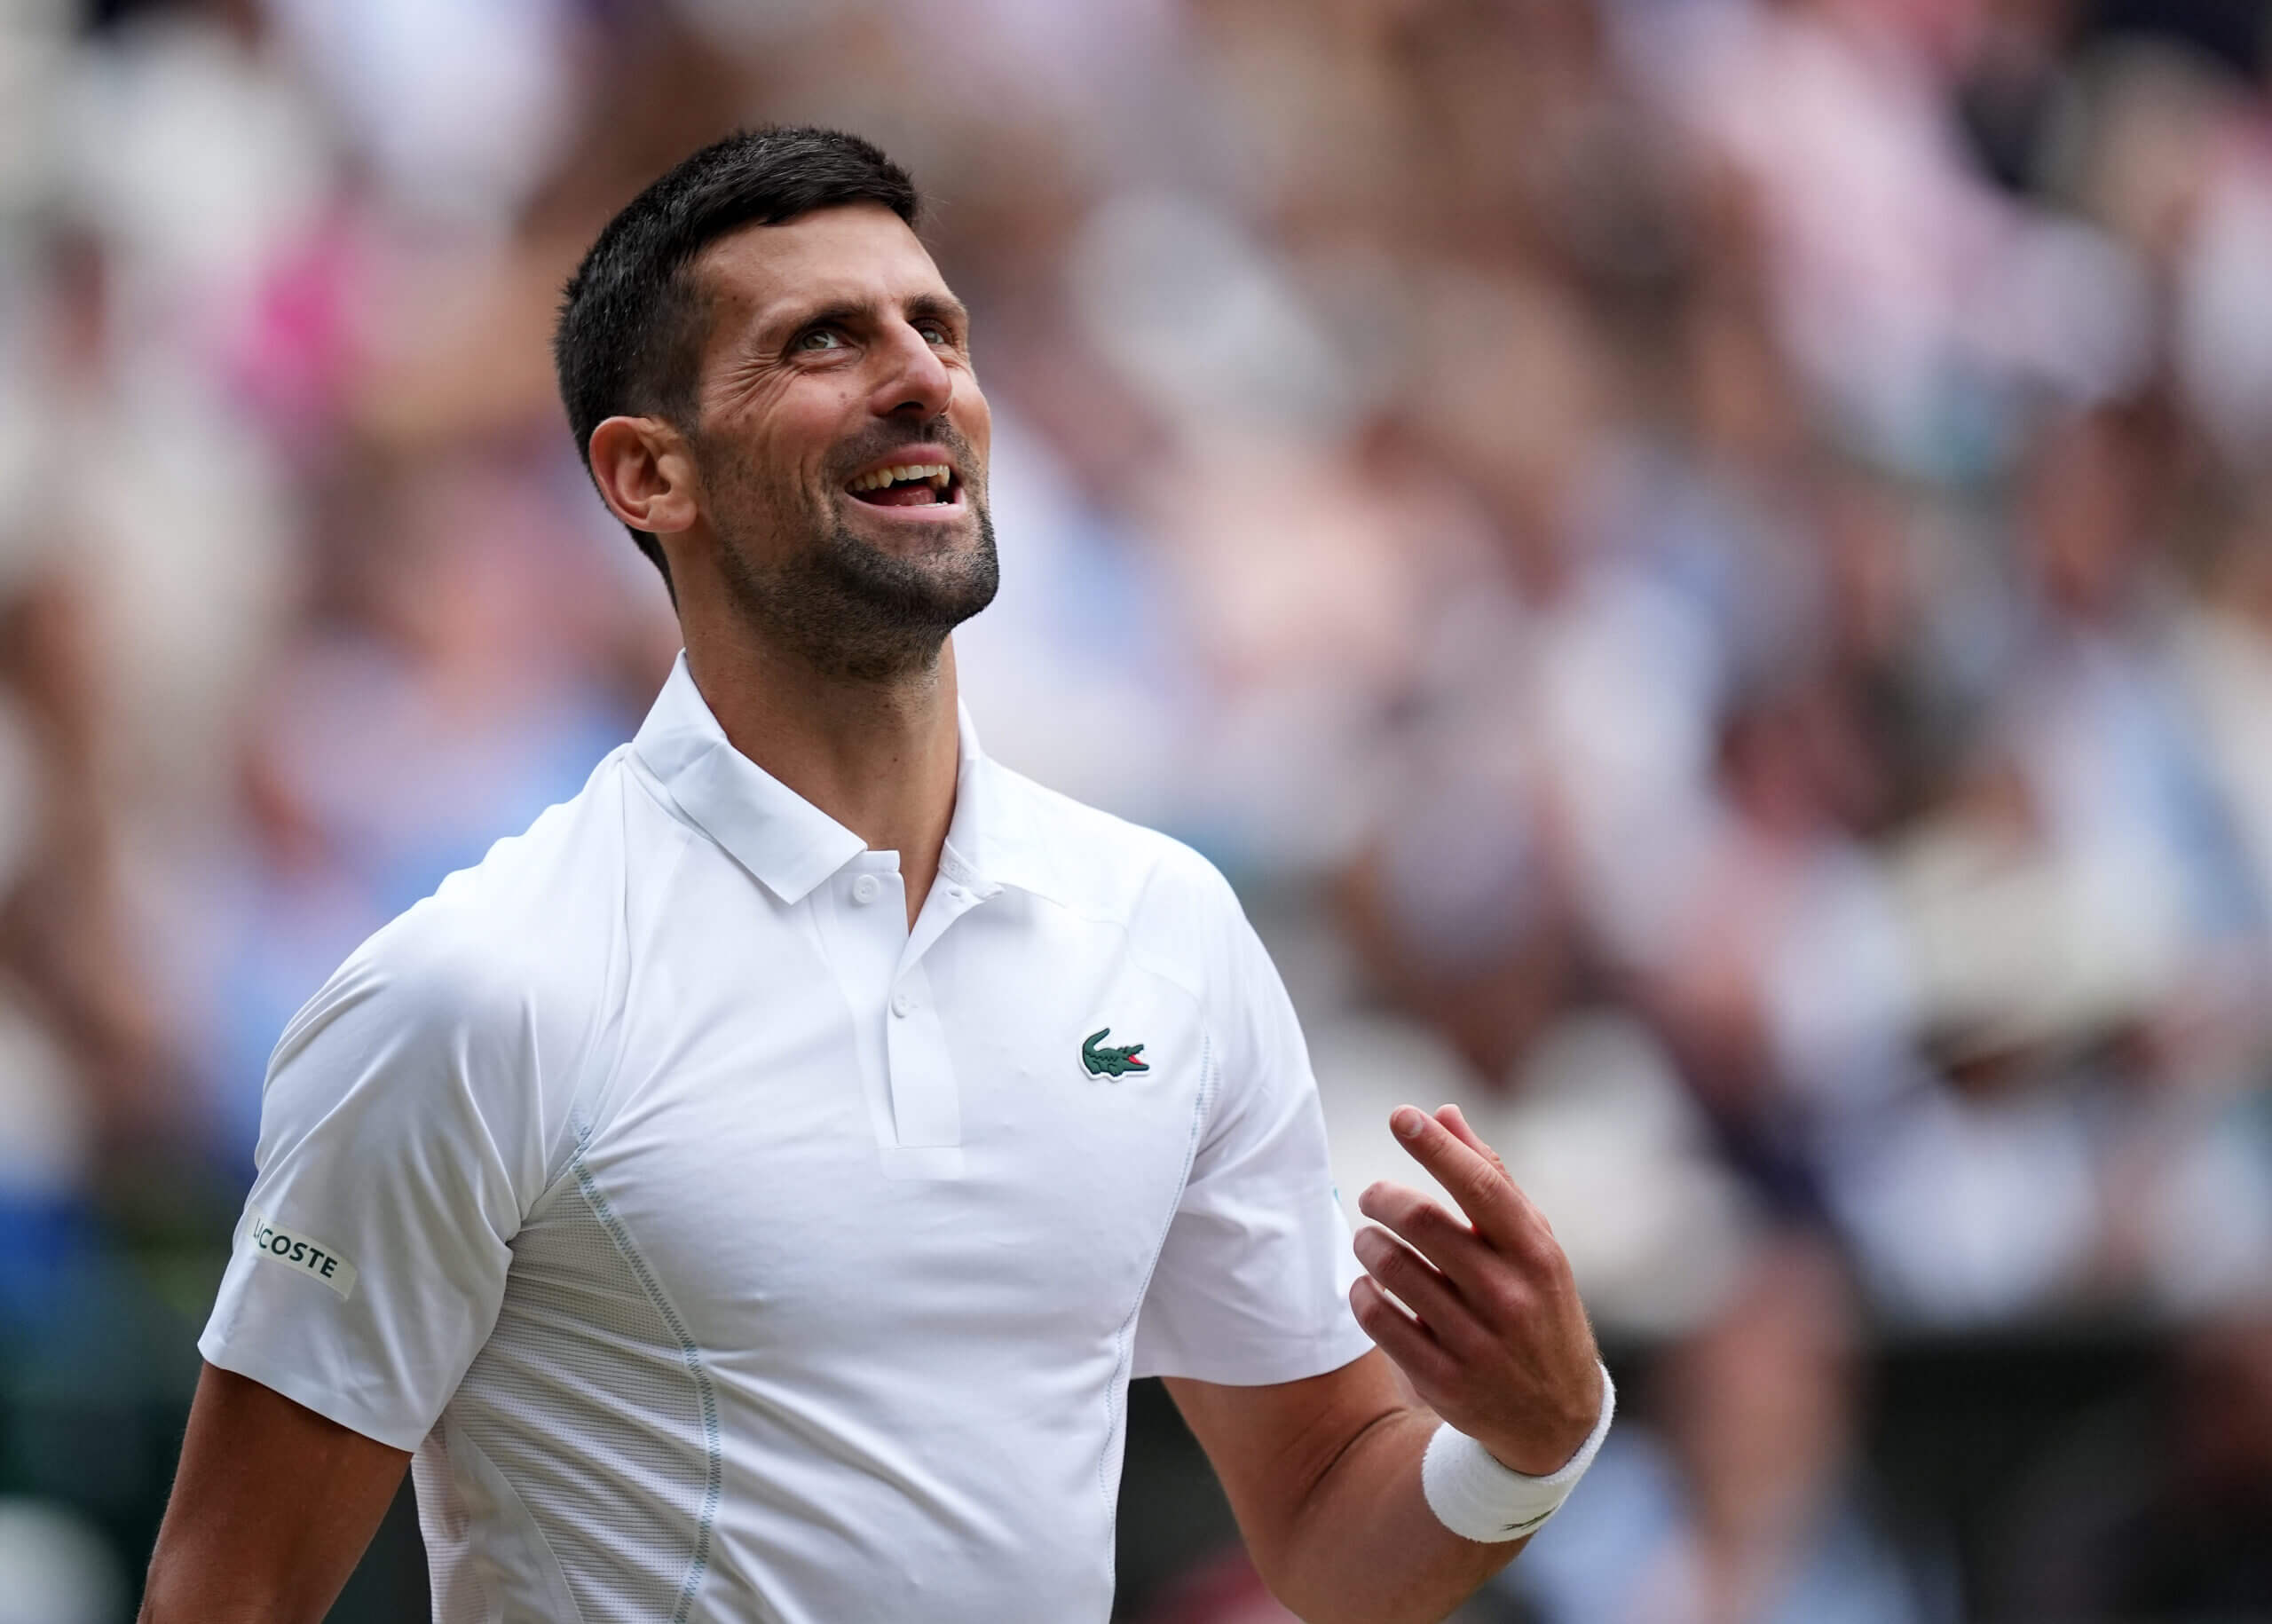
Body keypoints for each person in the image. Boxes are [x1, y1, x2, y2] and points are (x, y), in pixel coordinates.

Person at [137, 127, 1609, 1624]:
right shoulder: (474, 993)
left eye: (939, 328)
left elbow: (1324, 1519)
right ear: (651, 472)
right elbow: (226, 1592)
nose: (922, 376)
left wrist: (1530, 1445)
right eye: (823, 340)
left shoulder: (1164, 931)